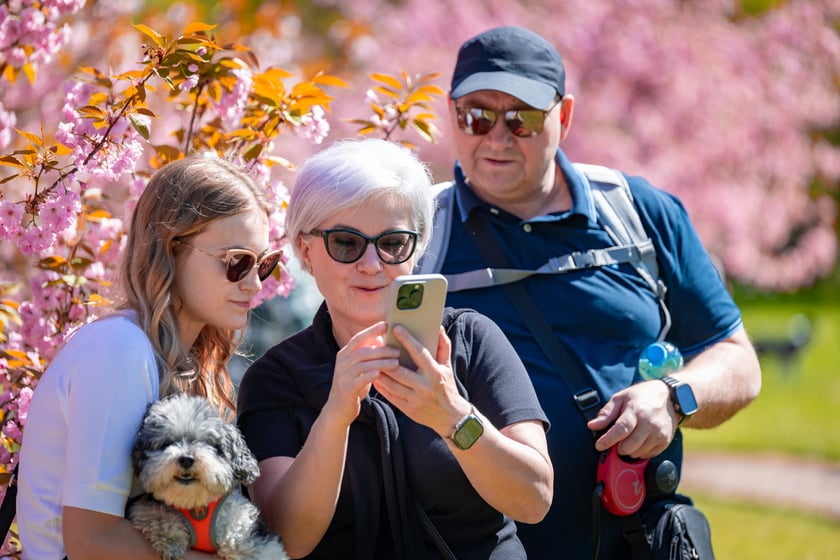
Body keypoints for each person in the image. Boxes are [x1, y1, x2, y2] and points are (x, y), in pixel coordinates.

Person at [417, 26, 763, 559]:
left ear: (565, 116)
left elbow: (737, 361)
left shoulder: (640, 213)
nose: (497, 138)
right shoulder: (415, 234)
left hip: (634, 540)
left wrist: (673, 397)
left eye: (522, 118)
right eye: (477, 116)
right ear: (452, 113)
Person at [236, 138, 553, 560]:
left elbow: (534, 500)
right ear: (305, 251)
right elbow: (287, 541)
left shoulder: (469, 339)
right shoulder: (275, 378)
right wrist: (335, 416)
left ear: (416, 248)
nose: (371, 264)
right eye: (346, 243)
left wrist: (453, 416)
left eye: (393, 243)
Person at [16, 156, 282, 559]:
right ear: (171, 250)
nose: (255, 283)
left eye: (263, 264)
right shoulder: (119, 348)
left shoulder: (163, 354)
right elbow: (91, 541)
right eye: (237, 262)